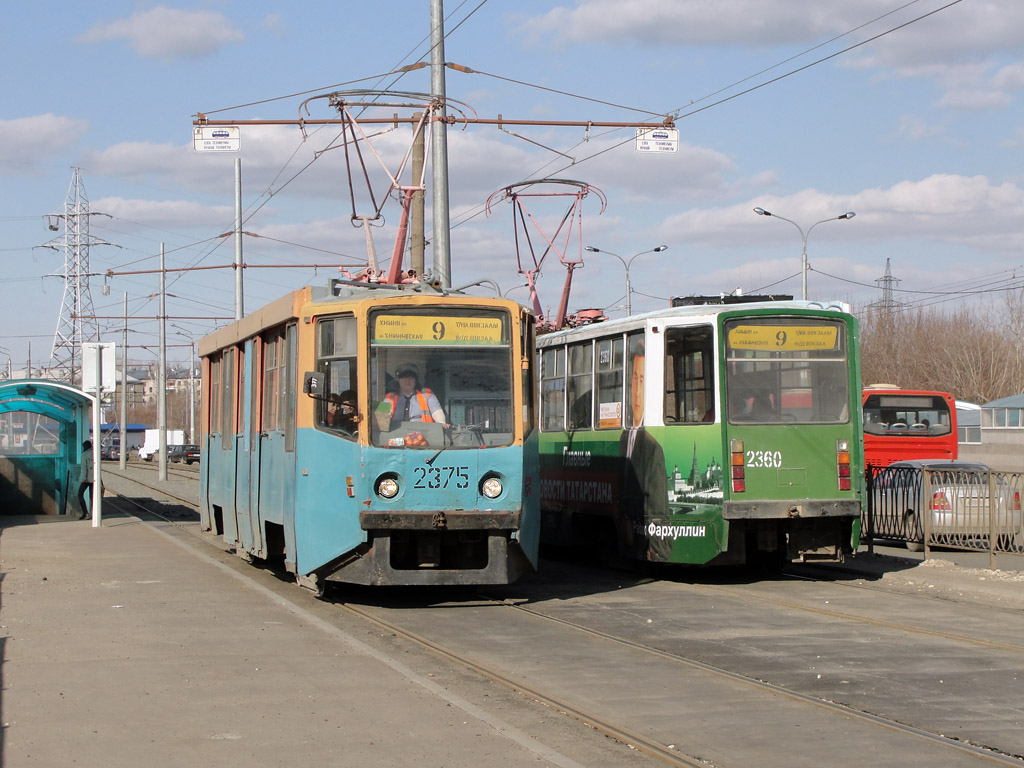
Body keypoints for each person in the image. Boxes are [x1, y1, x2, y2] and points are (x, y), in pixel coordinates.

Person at [384, 363, 447, 430]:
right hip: (396, 435)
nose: (408, 380)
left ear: (415, 380)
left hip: (424, 435)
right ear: (398, 380)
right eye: (404, 377)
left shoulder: (427, 394)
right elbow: (382, 417)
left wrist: (441, 423)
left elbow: (437, 412)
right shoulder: (390, 397)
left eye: (411, 378)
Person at [78, 440, 93, 520]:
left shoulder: (84, 455)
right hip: (94, 479)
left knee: (80, 494)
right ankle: (93, 514)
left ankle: (85, 512)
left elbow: (84, 469)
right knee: (92, 497)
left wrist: (82, 479)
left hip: (86, 479)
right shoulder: (95, 453)